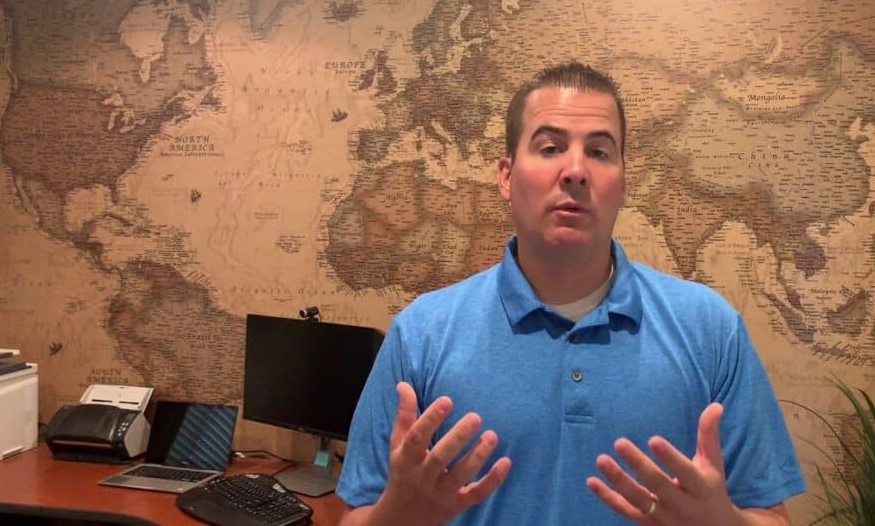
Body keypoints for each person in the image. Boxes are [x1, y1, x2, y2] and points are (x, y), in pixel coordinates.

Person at [336, 61, 806, 525]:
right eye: (549, 147)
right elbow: (355, 515)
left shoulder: (712, 329)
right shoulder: (420, 333)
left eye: (600, 153)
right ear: (506, 176)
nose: (576, 170)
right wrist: (394, 518)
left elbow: (770, 516)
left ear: (623, 184)